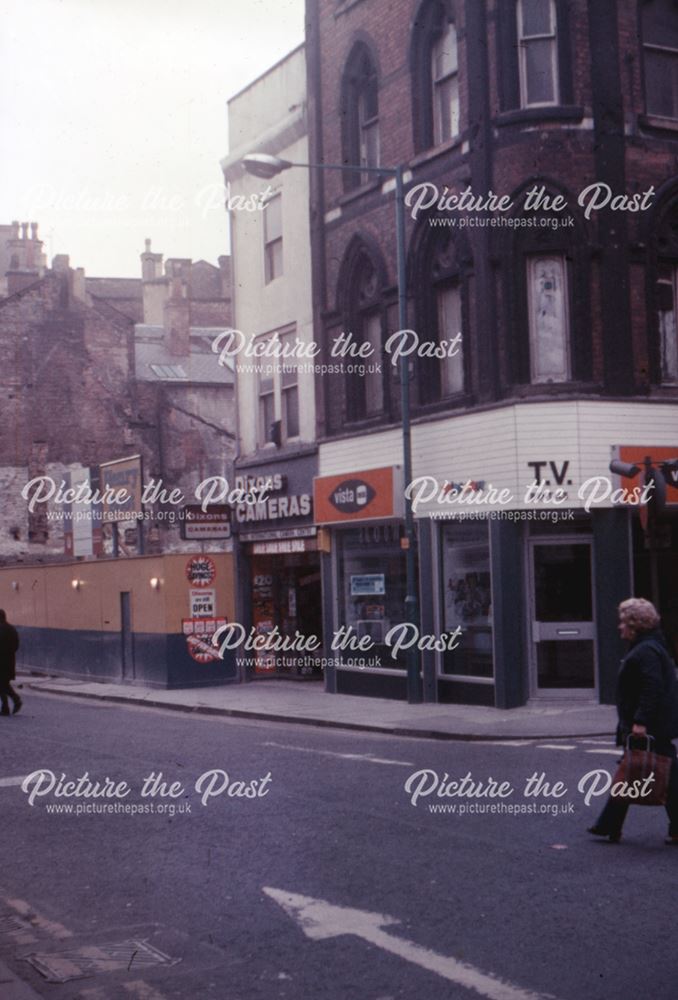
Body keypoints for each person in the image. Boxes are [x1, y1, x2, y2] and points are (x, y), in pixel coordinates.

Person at [588, 597, 678, 844]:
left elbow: (652, 687)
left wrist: (640, 721)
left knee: (634, 771)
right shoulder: (652, 646)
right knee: (649, 772)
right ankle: (609, 825)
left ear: (635, 625)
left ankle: (609, 824)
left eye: (623, 622)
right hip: (656, 724)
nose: (619, 627)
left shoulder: (646, 650)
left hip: (650, 726)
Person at [0, 609, 21, 716]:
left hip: (1, 662)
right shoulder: (12, 629)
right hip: (9, 661)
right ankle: (13, 702)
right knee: (4, 684)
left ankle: (7, 706)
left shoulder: (1, 629)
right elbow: (16, 645)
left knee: (2, 685)